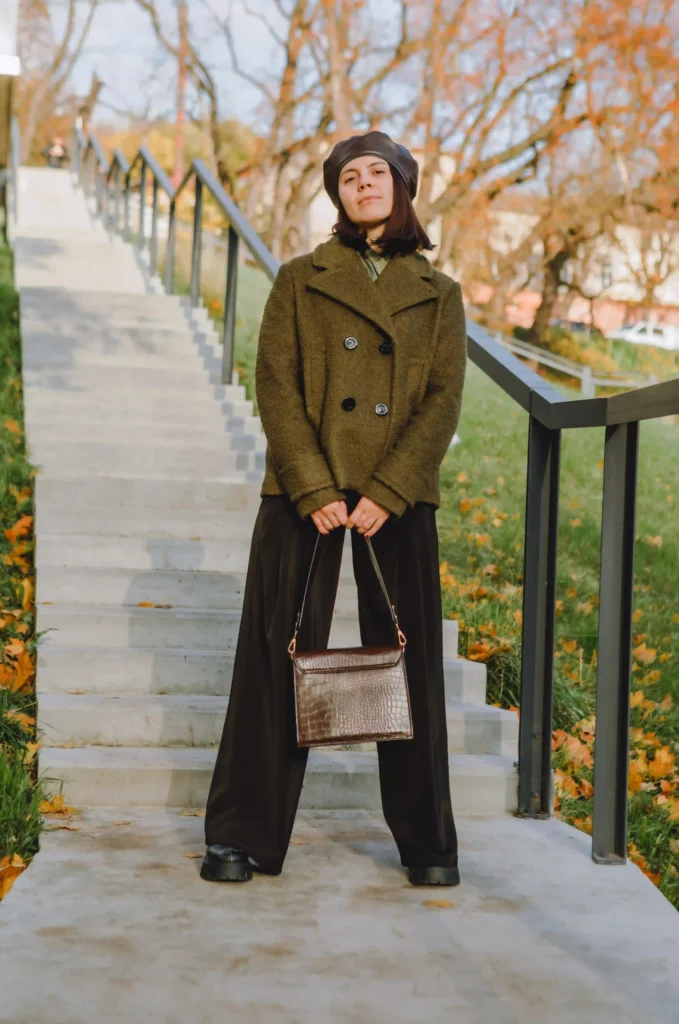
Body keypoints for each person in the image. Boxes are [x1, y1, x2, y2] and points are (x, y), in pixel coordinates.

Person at [201, 130, 468, 887]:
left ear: (403, 187)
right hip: (303, 488)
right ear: (338, 196)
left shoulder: (439, 295)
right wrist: (313, 486)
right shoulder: (299, 277)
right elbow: (275, 383)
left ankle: (427, 844)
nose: (362, 184)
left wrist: (389, 488)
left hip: (398, 493)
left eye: (376, 172)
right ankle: (241, 835)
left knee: (411, 663)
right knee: (269, 655)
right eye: (349, 176)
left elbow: (444, 400)